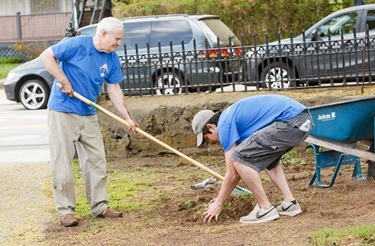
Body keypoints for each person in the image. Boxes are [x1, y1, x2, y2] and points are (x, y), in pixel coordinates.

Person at [39, 17, 139, 227]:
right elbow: (47, 56)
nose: (119, 43)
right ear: (103, 34)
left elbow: (114, 89)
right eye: (117, 38)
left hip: (88, 112)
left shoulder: (111, 58)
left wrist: (127, 117)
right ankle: (66, 211)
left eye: (120, 39)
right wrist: (63, 80)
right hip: (63, 111)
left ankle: (100, 206)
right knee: (63, 162)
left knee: (96, 160)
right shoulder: (76, 45)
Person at [192, 94, 313, 224]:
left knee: (238, 158)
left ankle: (265, 209)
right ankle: (290, 204)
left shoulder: (224, 125)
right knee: (268, 161)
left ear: (211, 127)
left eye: (207, 138)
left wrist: (219, 202)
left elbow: (233, 173)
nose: (211, 142)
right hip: (303, 121)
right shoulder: (232, 116)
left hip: (291, 121)